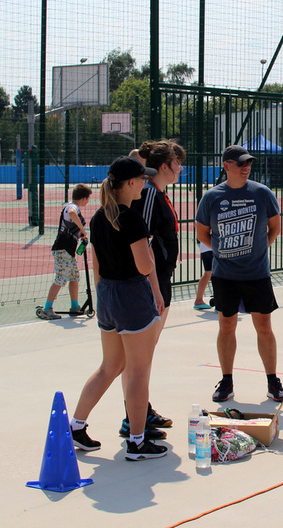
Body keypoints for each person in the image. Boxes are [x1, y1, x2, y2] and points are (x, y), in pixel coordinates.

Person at [69, 156, 167, 461]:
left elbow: (97, 266)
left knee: (109, 367)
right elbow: (144, 266)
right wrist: (148, 249)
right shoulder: (132, 219)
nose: (145, 184)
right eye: (142, 179)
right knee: (138, 372)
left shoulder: (99, 218)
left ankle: (76, 425)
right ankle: (137, 442)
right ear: (131, 183)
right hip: (131, 296)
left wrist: (104, 298)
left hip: (108, 295)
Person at [195, 145, 283, 403]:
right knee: (226, 327)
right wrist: (223, 251)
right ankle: (226, 381)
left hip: (257, 274)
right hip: (225, 275)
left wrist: (257, 250)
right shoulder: (212, 197)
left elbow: (275, 228)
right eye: (240, 163)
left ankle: (273, 381)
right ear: (226, 166)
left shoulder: (262, 193)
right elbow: (202, 232)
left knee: (264, 328)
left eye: (248, 163)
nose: (246, 167)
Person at [115, 140, 185, 439]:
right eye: (177, 163)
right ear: (165, 166)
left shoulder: (158, 194)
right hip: (148, 284)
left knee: (144, 356)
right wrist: (150, 285)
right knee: (137, 359)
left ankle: (141, 410)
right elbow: (139, 241)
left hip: (161, 280)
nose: (180, 168)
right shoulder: (149, 196)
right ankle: (134, 419)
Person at [36, 184, 93, 320]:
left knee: (74, 277)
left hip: (68, 251)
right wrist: (83, 230)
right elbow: (72, 213)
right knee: (61, 278)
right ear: (84, 198)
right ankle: (46, 309)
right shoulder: (72, 207)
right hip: (62, 249)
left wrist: (80, 234)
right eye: (88, 199)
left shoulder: (73, 208)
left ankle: (75, 307)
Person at [193, 238, 214, 309]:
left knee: (208, 273)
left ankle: (199, 300)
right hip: (213, 247)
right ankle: (219, 304)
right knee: (217, 274)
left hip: (205, 247)